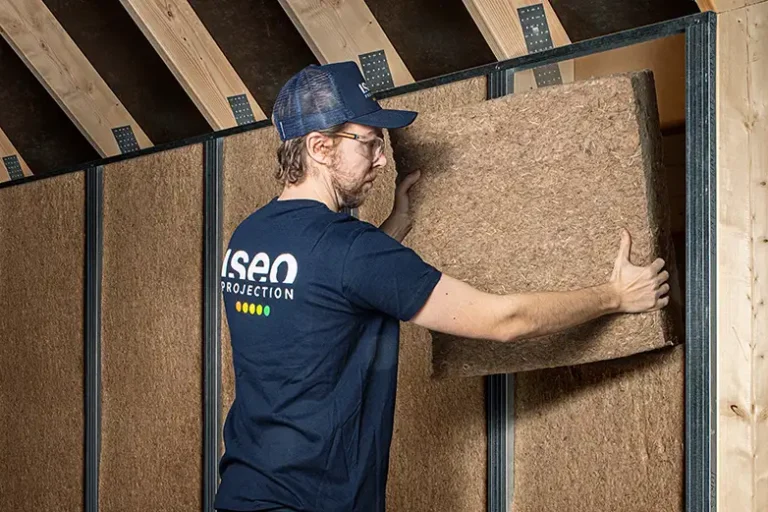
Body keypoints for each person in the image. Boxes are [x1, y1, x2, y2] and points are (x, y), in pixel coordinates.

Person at [214, 62, 670, 512]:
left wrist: (394, 227)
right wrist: (616, 296)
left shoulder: (249, 237)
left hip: (243, 493)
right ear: (320, 146)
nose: (382, 159)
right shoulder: (353, 251)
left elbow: (324, 293)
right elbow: (505, 321)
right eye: (369, 143)